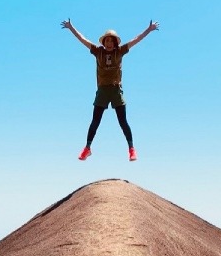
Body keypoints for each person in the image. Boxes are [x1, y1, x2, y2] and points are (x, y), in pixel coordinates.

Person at [61, 19, 159, 161]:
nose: (108, 44)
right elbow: (82, 39)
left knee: (122, 121)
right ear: (103, 42)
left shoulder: (120, 51)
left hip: (115, 90)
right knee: (95, 121)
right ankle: (87, 148)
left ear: (114, 43)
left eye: (110, 41)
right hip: (102, 91)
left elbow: (136, 40)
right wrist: (71, 27)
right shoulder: (97, 51)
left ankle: (131, 149)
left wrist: (148, 30)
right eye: (106, 41)